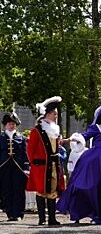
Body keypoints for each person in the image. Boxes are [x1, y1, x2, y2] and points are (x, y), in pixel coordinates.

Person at [26, 96, 66, 225]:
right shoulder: (36, 131)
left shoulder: (55, 130)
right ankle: (42, 218)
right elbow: (30, 150)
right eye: (54, 114)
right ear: (47, 114)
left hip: (54, 165)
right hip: (41, 167)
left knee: (53, 191)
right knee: (41, 191)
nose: (56, 116)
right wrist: (35, 164)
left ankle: (52, 218)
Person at [0, 112, 30, 221]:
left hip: (18, 167)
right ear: (5, 125)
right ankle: (10, 213)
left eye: (13, 124)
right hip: (4, 166)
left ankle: (19, 213)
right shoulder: (1, 137)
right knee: (6, 190)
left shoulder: (20, 137)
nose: (12, 126)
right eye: (9, 123)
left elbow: (25, 153)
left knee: (18, 190)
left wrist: (26, 167)